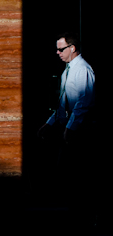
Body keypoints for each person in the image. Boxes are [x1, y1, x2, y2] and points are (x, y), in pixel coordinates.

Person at [37, 32, 97, 225]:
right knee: (68, 171)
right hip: (71, 128)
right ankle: (76, 214)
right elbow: (63, 103)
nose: (58, 52)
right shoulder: (68, 70)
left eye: (61, 49)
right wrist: (50, 123)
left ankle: (84, 216)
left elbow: (84, 103)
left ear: (72, 48)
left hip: (81, 130)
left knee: (77, 172)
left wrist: (70, 128)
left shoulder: (82, 69)